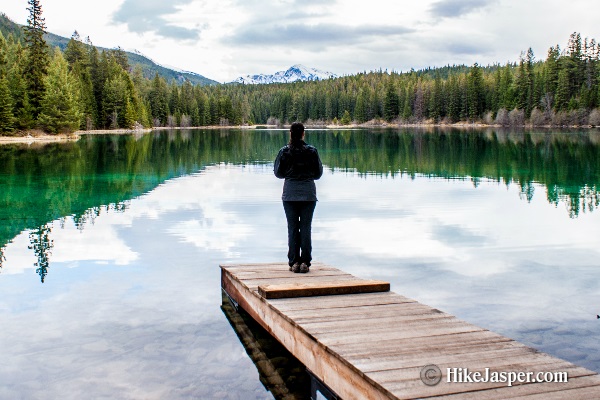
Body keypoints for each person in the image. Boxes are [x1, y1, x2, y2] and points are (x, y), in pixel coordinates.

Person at [274, 122, 323, 273]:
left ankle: (294, 261)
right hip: (308, 194)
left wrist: (290, 175)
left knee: (293, 227)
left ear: (290, 134)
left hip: (290, 194)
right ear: (303, 134)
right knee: (306, 227)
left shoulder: (284, 152)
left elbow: (278, 173)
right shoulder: (312, 151)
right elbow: (318, 174)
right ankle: (305, 263)